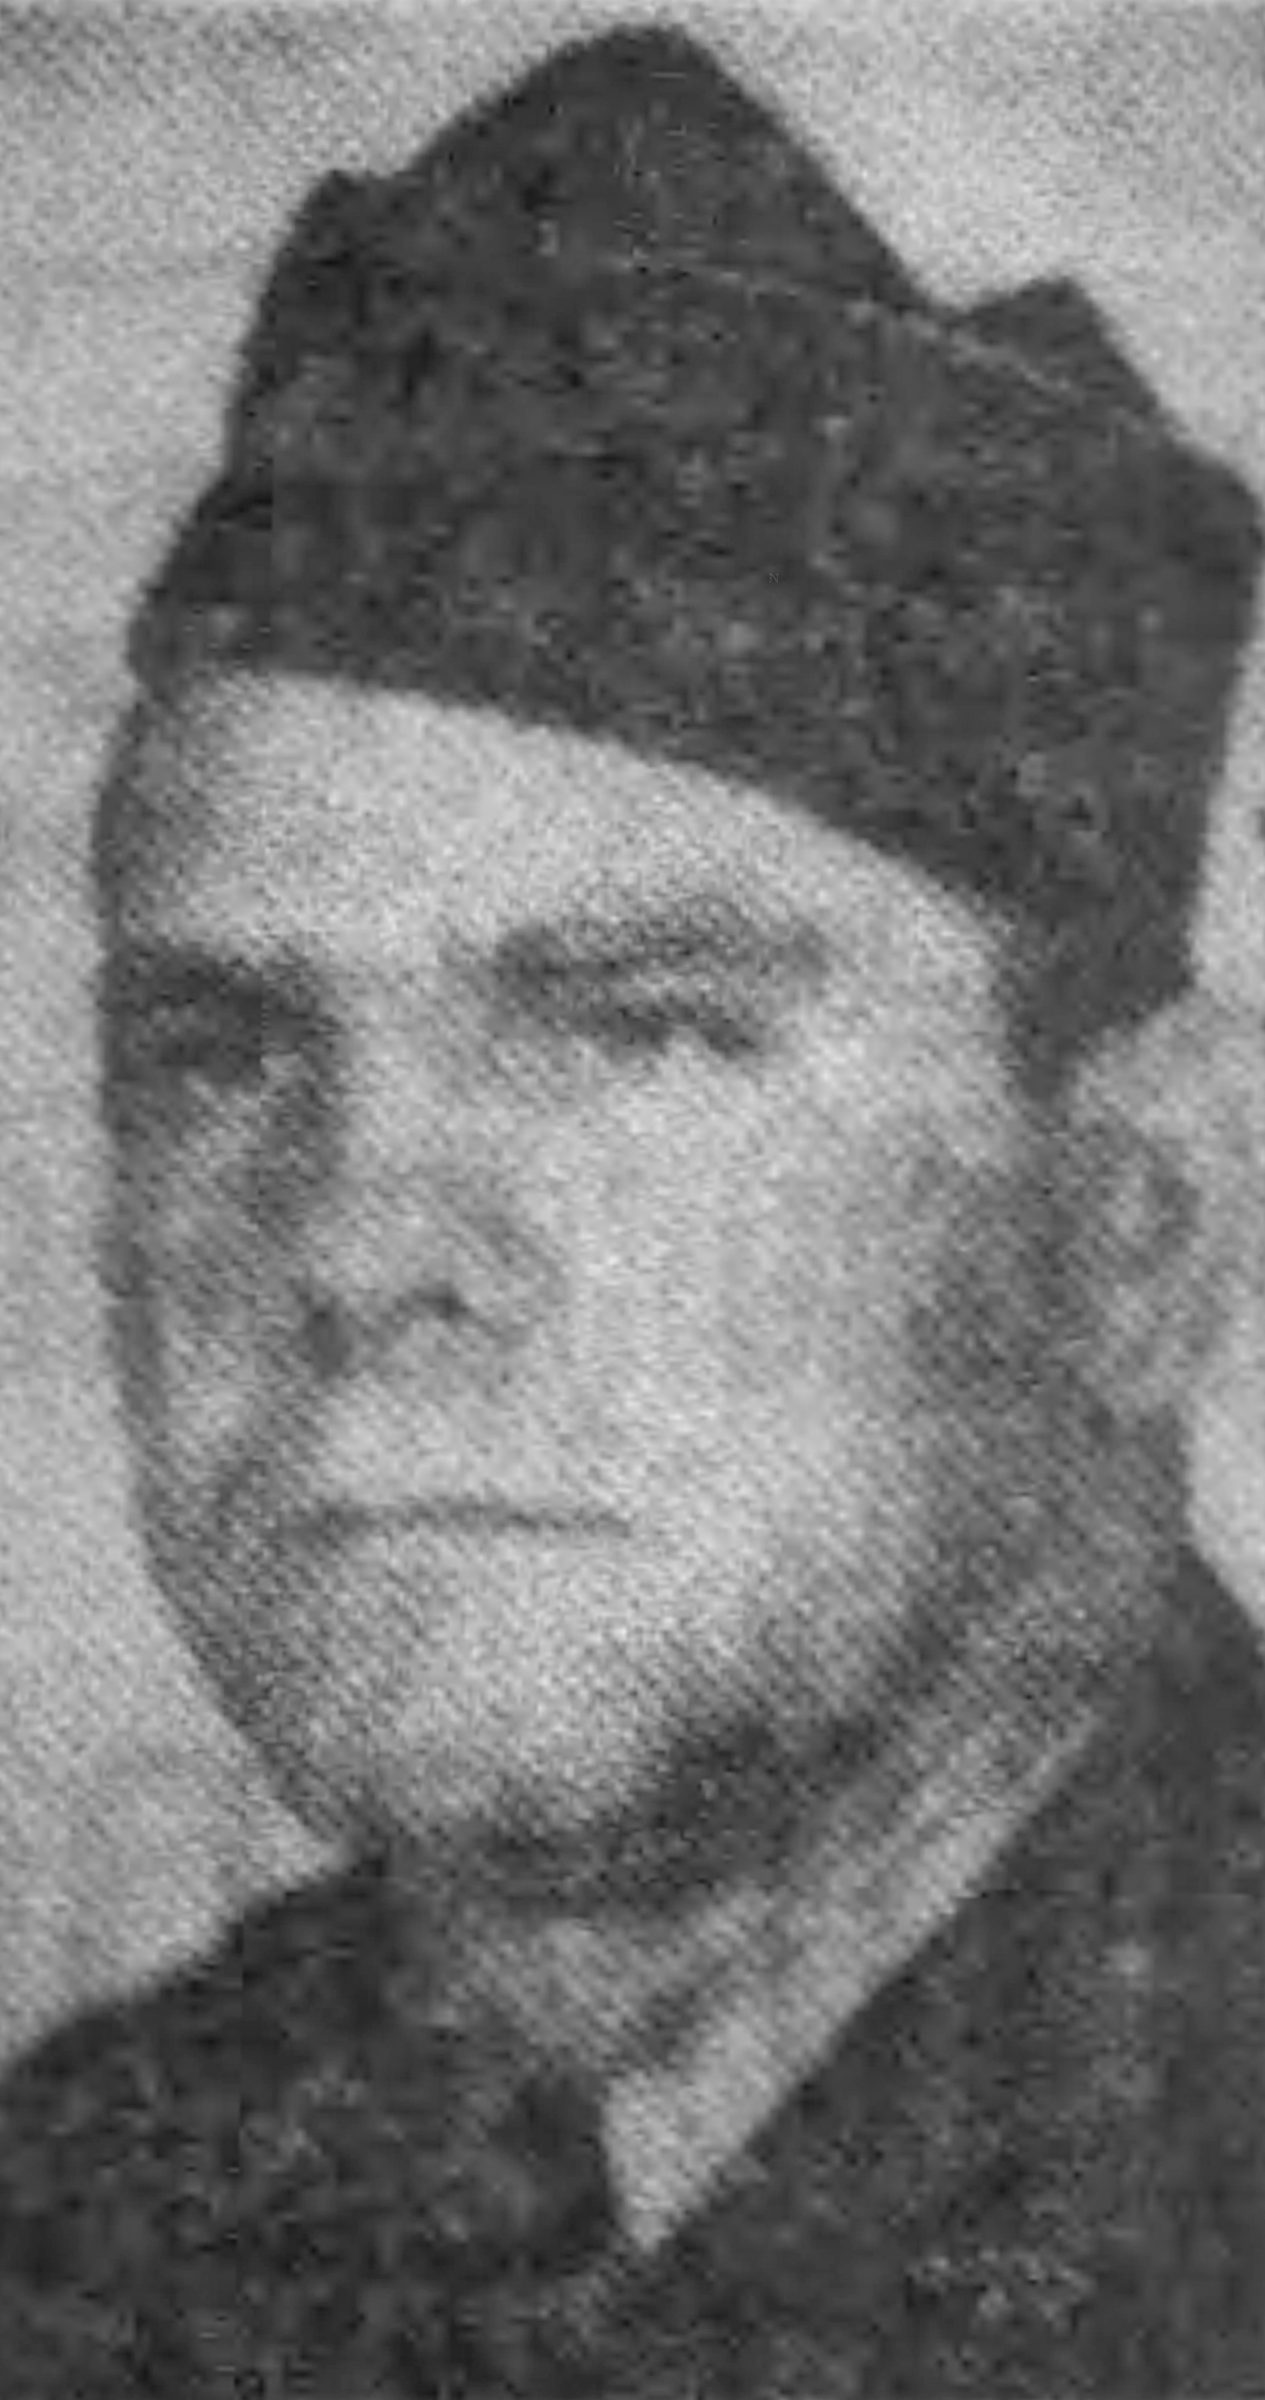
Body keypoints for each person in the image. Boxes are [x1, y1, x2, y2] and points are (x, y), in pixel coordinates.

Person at [2, 22, 1264, 2396]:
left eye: (639, 1030)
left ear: (1135, 1221)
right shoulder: (76, 2210)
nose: (357, 1244)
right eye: (222, 1049)